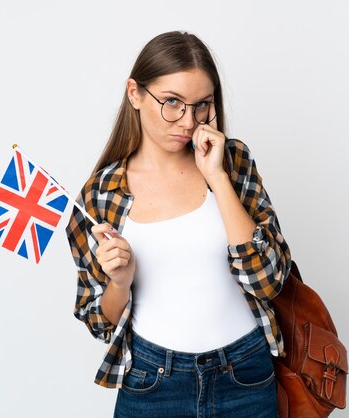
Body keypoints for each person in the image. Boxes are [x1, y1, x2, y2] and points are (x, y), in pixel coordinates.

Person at [66, 31, 291, 418]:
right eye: (172, 102)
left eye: (201, 105)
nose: (188, 121)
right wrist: (119, 281)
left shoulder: (232, 162)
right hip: (152, 384)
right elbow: (100, 320)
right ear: (135, 94)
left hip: (245, 376)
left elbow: (268, 281)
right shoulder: (100, 194)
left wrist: (217, 177)